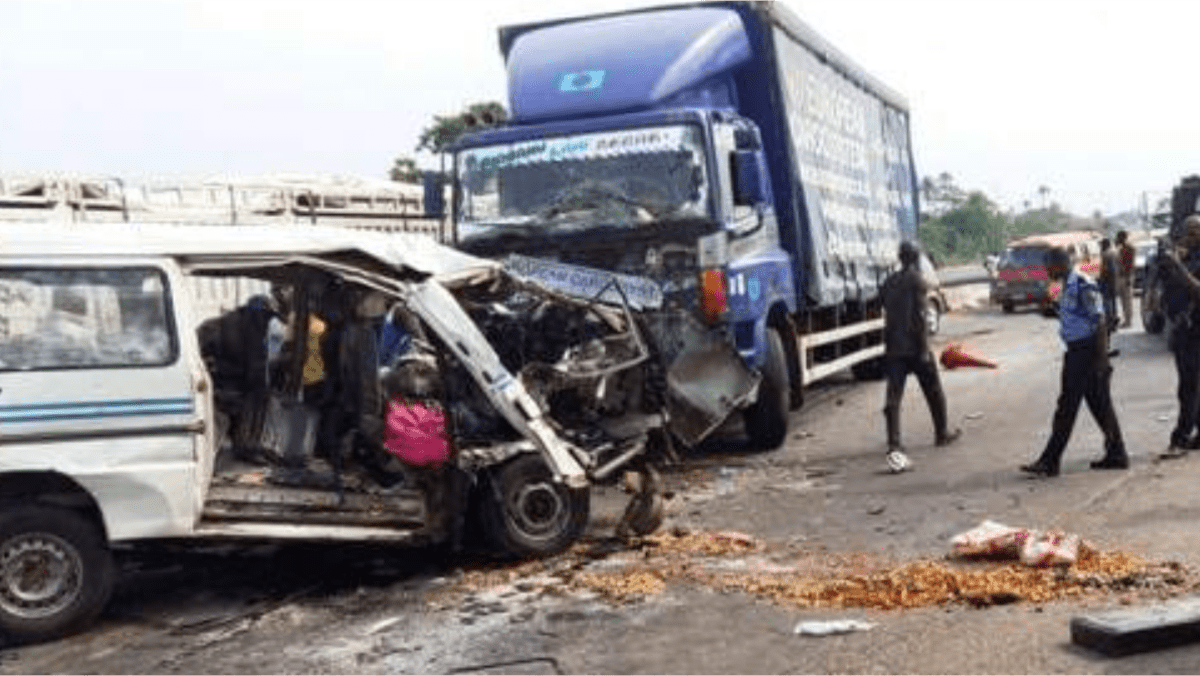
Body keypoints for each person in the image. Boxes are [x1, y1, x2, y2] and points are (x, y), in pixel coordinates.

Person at [1020, 247, 1128, 477]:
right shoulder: (1067, 285)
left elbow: (1099, 322)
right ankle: (1117, 453)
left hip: (1086, 354)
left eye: (1048, 266)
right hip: (1078, 352)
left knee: (1067, 407)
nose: (1046, 271)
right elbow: (1073, 315)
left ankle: (1050, 461)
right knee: (1100, 406)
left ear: (1059, 264)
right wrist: (1049, 309)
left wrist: (1100, 360)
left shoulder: (1082, 283)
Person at [880, 240, 961, 472]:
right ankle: (941, 432)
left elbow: (887, 308)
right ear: (916, 258)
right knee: (934, 391)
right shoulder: (917, 281)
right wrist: (924, 349)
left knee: (893, 399)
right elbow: (919, 316)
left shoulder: (888, 282)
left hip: (894, 348)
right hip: (915, 347)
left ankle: (894, 444)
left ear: (900, 258)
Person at [1159, 215, 1200, 457]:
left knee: (1188, 387)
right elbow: (1166, 286)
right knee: (1192, 384)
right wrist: (1169, 261)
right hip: (1181, 329)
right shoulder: (1185, 255)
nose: (1192, 234)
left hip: (1196, 329)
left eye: (1196, 230)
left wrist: (1178, 265)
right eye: (1188, 230)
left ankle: (1180, 438)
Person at [1098, 238, 1119, 334]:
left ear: (1105, 245)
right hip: (1113, 281)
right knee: (1113, 303)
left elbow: (1109, 270)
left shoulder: (1106, 254)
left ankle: (1111, 323)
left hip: (1108, 281)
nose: (1100, 247)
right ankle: (1114, 320)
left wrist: (1107, 281)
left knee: (1108, 303)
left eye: (1101, 245)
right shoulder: (1114, 252)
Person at [1115, 230, 1135, 328]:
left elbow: (1131, 264)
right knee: (1123, 300)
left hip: (1126, 276)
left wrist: (1128, 277)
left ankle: (1128, 321)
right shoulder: (1121, 249)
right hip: (1121, 276)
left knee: (1127, 300)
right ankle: (1126, 320)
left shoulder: (1130, 248)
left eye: (1119, 237)